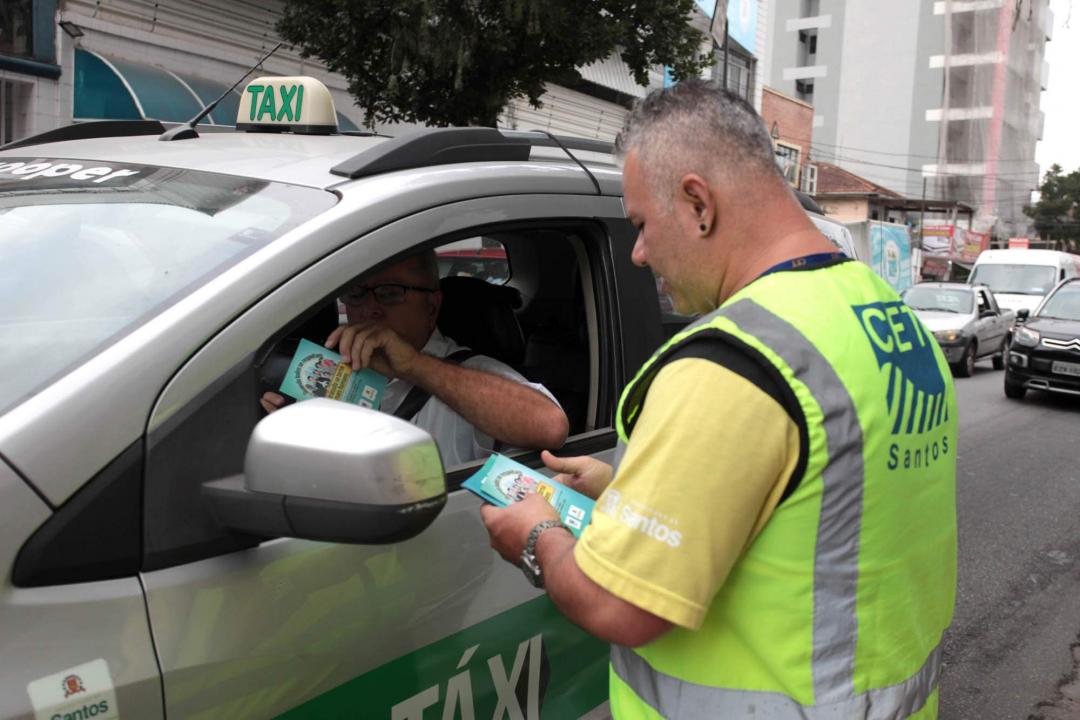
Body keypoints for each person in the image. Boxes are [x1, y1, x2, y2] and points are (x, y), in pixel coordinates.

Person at [480, 80, 957, 719]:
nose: (641, 254)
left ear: (698, 203)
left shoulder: (734, 363)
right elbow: (826, 504)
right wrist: (619, 482)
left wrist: (535, 535)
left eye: (642, 225)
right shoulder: (883, 318)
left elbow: (619, 605)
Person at [261, 251, 569, 465]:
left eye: (391, 293)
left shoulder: (468, 374)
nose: (371, 309)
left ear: (432, 306)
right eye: (357, 294)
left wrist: (413, 365)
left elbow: (550, 426)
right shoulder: (326, 369)